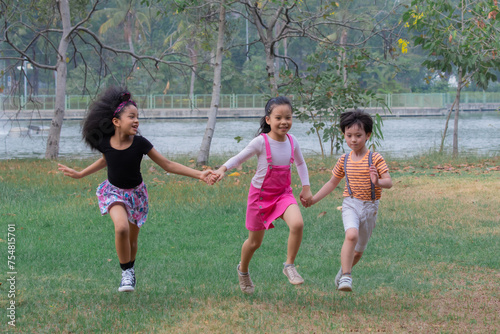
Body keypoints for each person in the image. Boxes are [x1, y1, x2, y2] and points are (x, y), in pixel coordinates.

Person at [58, 86, 214, 292]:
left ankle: (130, 270)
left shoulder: (140, 143)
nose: (136, 121)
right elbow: (106, 161)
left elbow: (167, 165)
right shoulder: (105, 143)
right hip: (113, 192)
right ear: (116, 122)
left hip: (136, 195)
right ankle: (125, 272)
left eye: (137, 117)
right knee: (120, 227)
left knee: (131, 240)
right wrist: (80, 174)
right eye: (131, 116)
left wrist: (199, 174)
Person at [212, 96, 313, 295]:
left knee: (298, 224)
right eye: (278, 117)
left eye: (288, 117)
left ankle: (289, 265)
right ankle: (243, 271)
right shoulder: (260, 142)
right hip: (260, 198)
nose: (284, 122)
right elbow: (240, 157)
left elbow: (300, 163)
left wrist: (306, 187)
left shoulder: (293, 142)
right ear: (268, 120)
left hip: (283, 194)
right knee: (255, 243)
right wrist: (223, 169)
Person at [301, 110, 392, 292]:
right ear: (344, 135)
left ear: (367, 135)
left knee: (358, 251)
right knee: (351, 235)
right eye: (349, 135)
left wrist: (377, 181)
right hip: (350, 203)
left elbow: (388, 182)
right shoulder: (344, 160)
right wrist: (313, 200)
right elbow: (332, 182)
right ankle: (347, 277)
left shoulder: (375, 158)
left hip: (370, 207)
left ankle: (343, 271)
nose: (353, 140)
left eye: (358, 135)